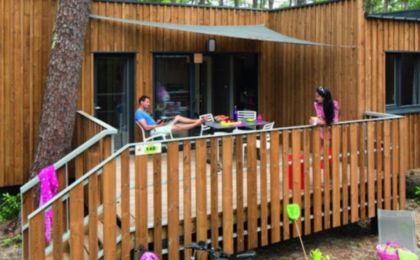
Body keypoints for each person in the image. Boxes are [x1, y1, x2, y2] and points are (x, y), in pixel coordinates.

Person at [135, 95, 206, 136]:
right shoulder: (139, 113)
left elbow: (150, 123)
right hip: (154, 131)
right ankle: (197, 123)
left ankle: (197, 120)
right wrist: (159, 125)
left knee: (177, 117)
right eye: (147, 102)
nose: (149, 104)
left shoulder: (145, 112)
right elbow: (146, 128)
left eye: (149, 102)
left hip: (157, 126)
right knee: (176, 126)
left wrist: (158, 122)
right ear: (141, 102)